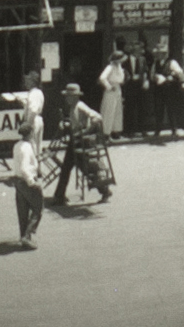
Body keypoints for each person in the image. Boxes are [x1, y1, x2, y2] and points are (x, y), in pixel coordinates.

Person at [50, 84, 113, 205]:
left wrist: (86, 131)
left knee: (70, 168)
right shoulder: (74, 107)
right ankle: (104, 190)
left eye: (69, 96)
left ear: (74, 97)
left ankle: (59, 196)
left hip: (79, 142)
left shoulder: (80, 106)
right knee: (76, 168)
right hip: (76, 141)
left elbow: (96, 117)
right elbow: (76, 122)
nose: (67, 98)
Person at [6, 120, 44, 248]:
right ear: (30, 133)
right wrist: (32, 182)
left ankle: (23, 237)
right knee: (38, 208)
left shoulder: (17, 145)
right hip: (26, 181)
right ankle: (27, 236)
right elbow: (24, 167)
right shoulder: (27, 148)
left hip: (18, 181)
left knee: (22, 211)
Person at [97, 52, 128, 138]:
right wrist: (109, 87)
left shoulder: (119, 67)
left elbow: (121, 80)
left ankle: (116, 131)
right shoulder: (109, 67)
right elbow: (102, 78)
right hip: (111, 90)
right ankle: (106, 133)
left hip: (118, 89)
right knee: (109, 111)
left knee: (118, 111)